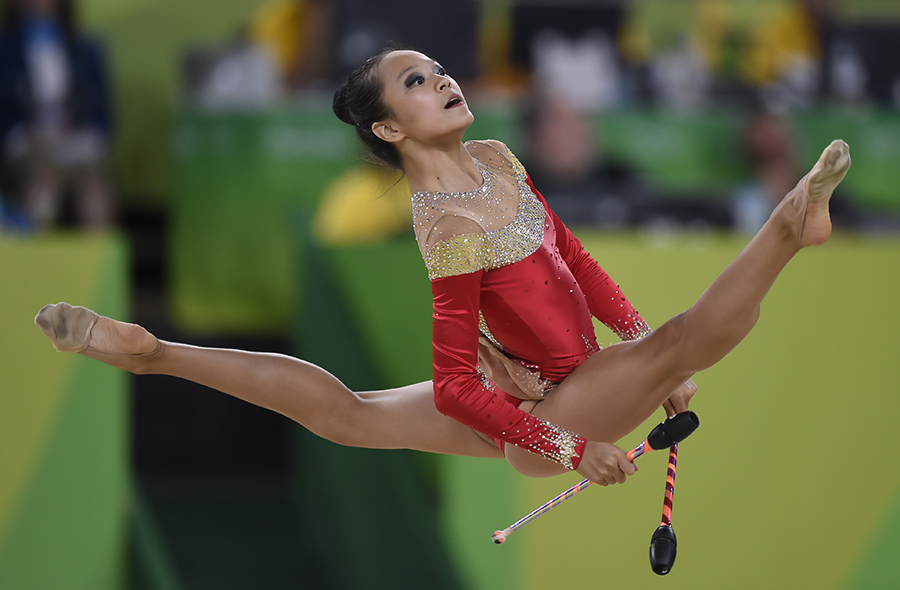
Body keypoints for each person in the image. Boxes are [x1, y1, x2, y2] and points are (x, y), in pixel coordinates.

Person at [34, 49, 850, 487]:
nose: (444, 81)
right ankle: (788, 223)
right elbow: (456, 385)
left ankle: (153, 353)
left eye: (438, 70)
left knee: (348, 417)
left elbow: (573, 256)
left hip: (566, 376)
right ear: (390, 131)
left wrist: (631, 340)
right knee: (683, 342)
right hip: (547, 412)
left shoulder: (496, 158)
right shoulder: (450, 228)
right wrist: (571, 449)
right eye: (417, 84)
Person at [0, 0, 114, 230]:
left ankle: (94, 263)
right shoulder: (5, 49)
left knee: (95, 191)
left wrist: (79, 138)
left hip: (78, 151)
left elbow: (103, 118)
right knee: (44, 187)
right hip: (28, 152)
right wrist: (25, 137)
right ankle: (36, 261)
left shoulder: (85, 50)